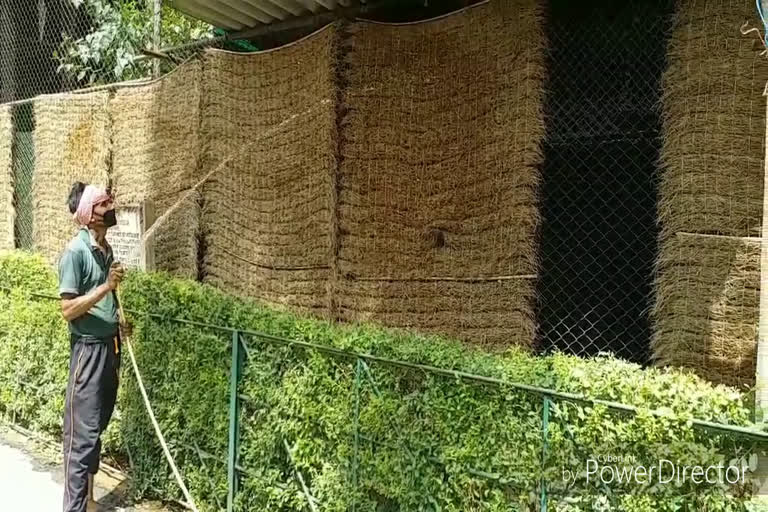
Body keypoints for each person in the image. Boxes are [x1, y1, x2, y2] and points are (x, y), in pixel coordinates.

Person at [59, 181, 130, 512]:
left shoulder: (107, 250)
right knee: (80, 438)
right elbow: (68, 310)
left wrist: (118, 322)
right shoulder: (75, 253)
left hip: (109, 348)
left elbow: (107, 299)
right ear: (90, 215)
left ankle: (87, 502)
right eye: (104, 204)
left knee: (97, 427)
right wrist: (105, 288)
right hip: (87, 352)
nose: (111, 207)